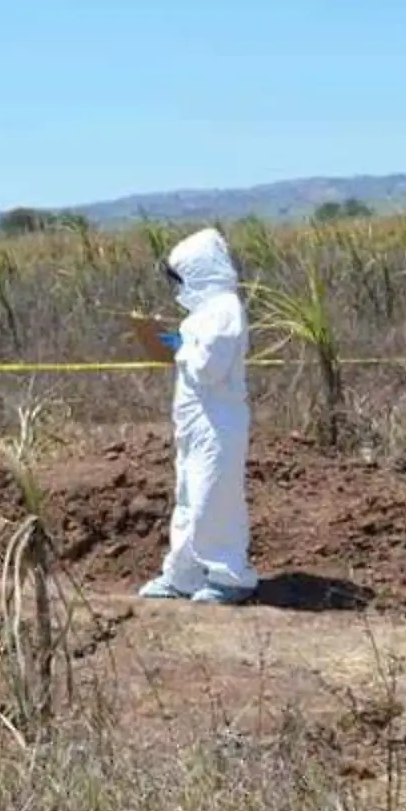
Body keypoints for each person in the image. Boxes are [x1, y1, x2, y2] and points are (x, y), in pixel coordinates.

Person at [138, 227, 259, 605]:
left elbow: (210, 368)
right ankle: (183, 577)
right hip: (196, 423)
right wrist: (177, 342)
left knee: (214, 500)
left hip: (217, 422)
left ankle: (230, 578)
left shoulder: (224, 308)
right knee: (190, 498)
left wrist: (180, 347)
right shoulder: (205, 313)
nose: (179, 287)